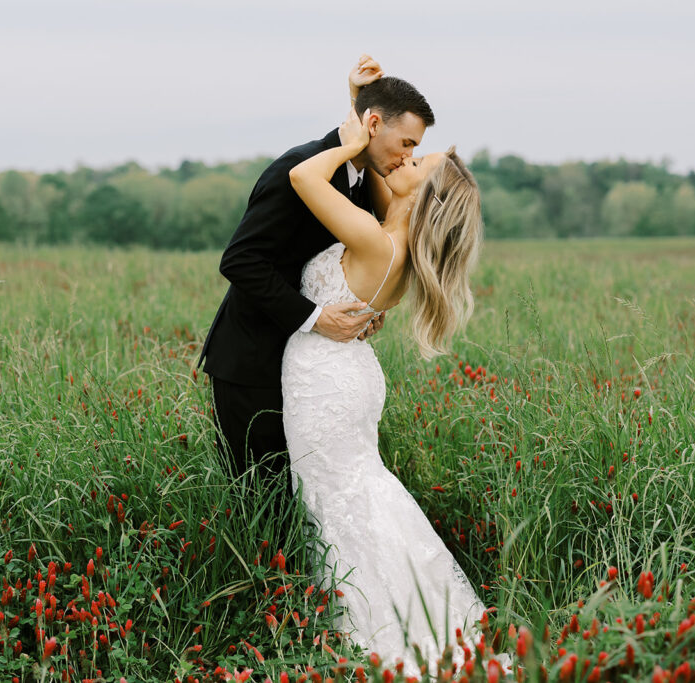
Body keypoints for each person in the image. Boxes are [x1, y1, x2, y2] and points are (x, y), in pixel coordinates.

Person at [198, 56, 436, 558]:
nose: (408, 155)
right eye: (407, 143)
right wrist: (315, 316)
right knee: (263, 506)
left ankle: (308, 608)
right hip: (254, 363)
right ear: (373, 125)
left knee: (305, 503)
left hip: (312, 371)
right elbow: (239, 260)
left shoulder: (358, 176)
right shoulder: (298, 167)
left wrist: (358, 305)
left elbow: (359, 257)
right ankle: (264, 610)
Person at [281, 91, 487, 669]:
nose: (403, 163)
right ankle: (394, 616)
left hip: (328, 380)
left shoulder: (377, 242)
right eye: (409, 154)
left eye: (416, 165)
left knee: (336, 499)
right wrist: (361, 111)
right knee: (354, 493)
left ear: (423, 195)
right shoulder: (393, 242)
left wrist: (348, 142)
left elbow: (303, 176)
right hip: (344, 376)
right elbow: (369, 175)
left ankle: (370, 631)